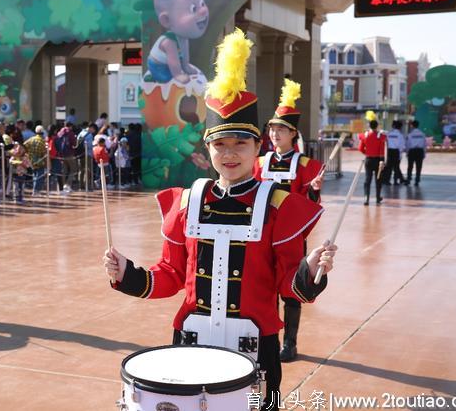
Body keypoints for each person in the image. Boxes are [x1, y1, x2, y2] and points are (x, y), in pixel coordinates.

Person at [103, 30, 337, 410]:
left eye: (240, 144)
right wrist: (127, 273)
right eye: (220, 145)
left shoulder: (279, 207)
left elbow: (287, 285)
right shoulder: (187, 202)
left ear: (258, 147)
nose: (230, 154)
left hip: (257, 350)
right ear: (207, 148)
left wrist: (312, 270)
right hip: (191, 343)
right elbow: (171, 274)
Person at [253, 78, 323, 363]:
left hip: (291, 238)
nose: (274, 134)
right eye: (272, 129)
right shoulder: (259, 162)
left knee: (291, 290)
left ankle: (289, 343)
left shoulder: (307, 166)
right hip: (261, 234)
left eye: (280, 129)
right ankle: (262, 338)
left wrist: (314, 191)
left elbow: (310, 208)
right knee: (261, 287)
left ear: (293, 133)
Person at [359, 111, 386, 205]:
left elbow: (360, 148)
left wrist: (367, 153)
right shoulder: (381, 136)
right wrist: (382, 161)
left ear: (369, 126)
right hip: (378, 160)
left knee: (367, 179)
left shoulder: (365, 135)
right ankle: (378, 198)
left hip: (368, 160)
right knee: (378, 179)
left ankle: (366, 198)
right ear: (377, 126)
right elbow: (382, 150)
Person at [24, 125, 48, 194]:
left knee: (34, 175)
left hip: (31, 160)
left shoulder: (31, 139)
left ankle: (35, 190)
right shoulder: (42, 141)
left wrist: (27, 154)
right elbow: (44, 153)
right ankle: (36, 190)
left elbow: (24, 145)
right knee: (39, 176)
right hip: (40, 161)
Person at [383, 120, 406, 185]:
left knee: (389, 167)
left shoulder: (389, 134)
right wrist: (400, 155)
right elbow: (401, 146)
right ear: (400, 127)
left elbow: (386, 142)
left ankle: (386, 180)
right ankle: (396, 181)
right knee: (396, 166)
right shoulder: (400, 135)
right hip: (396, 152)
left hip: (390, 151)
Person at [405, 119, 426, 186]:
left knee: (410, 166)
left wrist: (407, 152)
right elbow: (424, 144)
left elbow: (408, 144)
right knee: (419, 166)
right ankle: (417, 180)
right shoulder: (422, 134)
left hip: (412, 151)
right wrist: (424, 153)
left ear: (412, 126)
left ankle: (408, 179)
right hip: (420, 151)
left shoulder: (410, 134)